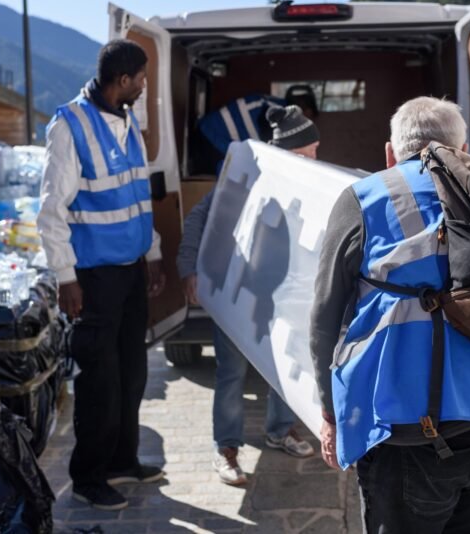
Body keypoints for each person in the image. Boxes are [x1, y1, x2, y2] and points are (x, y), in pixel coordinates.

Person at [310, 96, 470, 533]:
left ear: (391, 154)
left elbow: (323, 318)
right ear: (463, 148)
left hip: (418, 429)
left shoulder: (368, 196)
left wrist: (330, 413)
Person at [38, 39, 167, 511]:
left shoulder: (129, 121)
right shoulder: (68, 126)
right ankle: (89, 476)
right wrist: (66, 278)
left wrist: (151, 253)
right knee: (99, 380)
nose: (145, 86)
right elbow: (51, 210)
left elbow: (137, 197)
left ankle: (121, 460)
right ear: (123, 80)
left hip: (130, 272)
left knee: (133, 374)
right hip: (93, 278)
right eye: (142, 79)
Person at [176, 104, 320, 486]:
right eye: (310, 151)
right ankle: (226, 447)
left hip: (286, 301)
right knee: (232, 375)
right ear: (289, 152)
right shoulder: (249, 178)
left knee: (283, 372)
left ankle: (280, 429)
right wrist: (189, 268)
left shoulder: (312, 185)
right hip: (239, 297)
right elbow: (198, 220)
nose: (316, 158)